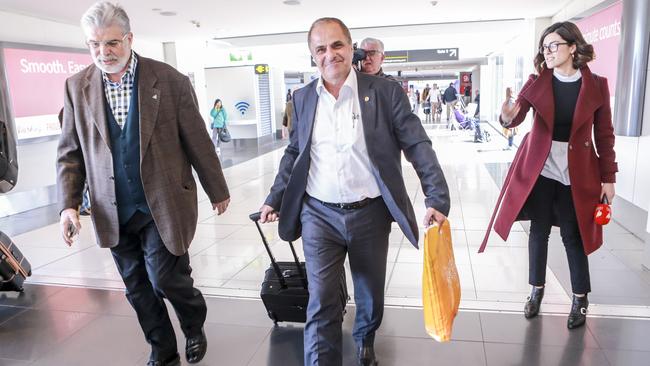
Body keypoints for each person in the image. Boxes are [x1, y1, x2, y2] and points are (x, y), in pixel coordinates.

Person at [258, 17, 449, 366]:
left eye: (337, 45)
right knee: (322, 301)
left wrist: (436, 197)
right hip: (318, 214)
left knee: (370, 292)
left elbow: (417, 142)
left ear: (351, 48)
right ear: (313, 56)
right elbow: (294, 152)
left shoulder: (384, 92)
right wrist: (275, 195)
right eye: (321, 49)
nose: (330, 54)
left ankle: (365, 338)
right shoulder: (302, 98)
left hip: (370, 213)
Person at [56, 2, 230, 366]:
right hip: (112, 209)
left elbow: (197, 139)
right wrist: (69, 206)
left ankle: (193, 321)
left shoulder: (168, 80)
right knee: (137, 287)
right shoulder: (77, 87)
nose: (103, 53)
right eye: (94, 45)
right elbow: (70, 153)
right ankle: (162, 350)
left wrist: (217, 189)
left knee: (165, 279)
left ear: (130, 39)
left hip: (164, 203)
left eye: (112, 43)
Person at [481, 21, 617, 330]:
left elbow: (605, 135)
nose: (548, 51)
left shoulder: (596, 85)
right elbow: (515, 118)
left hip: (577, 172)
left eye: (554, 45)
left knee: (573, 234)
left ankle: (580, 298)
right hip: (540, 168)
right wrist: (506, 114)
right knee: (539, 231)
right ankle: (536, 290)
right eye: (545, 47)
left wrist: (608, 177)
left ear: (572, 47)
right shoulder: (537, 81)